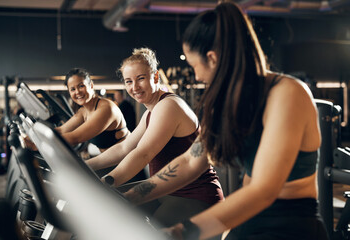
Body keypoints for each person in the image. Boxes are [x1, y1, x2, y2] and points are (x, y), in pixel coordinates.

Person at [123, 2, 329, 240]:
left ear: (212, 58)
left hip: (291, 225)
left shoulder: (287, 94)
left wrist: (180, 232)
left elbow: (263, 190)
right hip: (249, 218)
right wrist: (129, 195)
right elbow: (192, 161)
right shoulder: (227, 101)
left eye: (194, 66)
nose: (197, 76)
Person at [86, 47, 224, 228]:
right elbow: (124, 147)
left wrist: (106, 182)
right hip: (166, 191)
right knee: (106, 208)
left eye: (140, 79)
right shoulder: (151, 111)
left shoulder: (169, 106)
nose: (134, 87)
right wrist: (84, 167)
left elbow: (143, 153)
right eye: (128, 81)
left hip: (194, 196)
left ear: (156, 77)